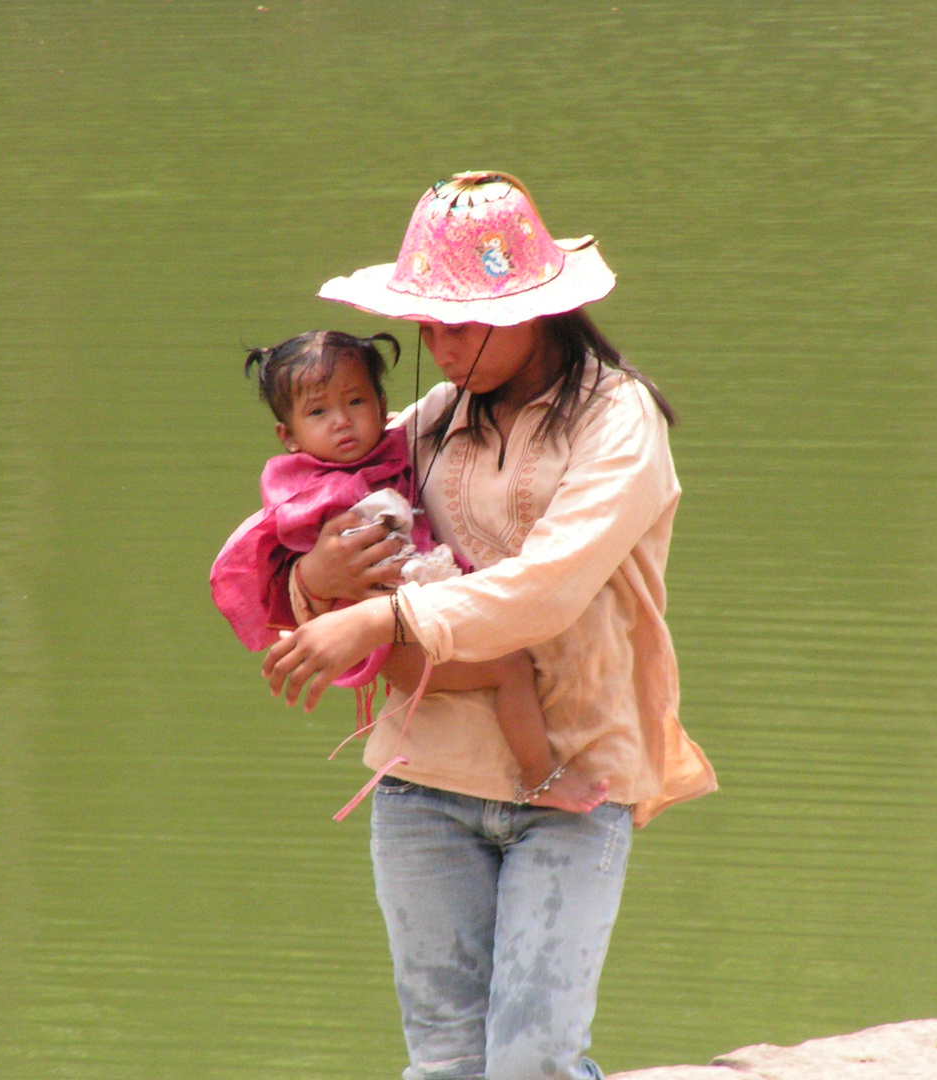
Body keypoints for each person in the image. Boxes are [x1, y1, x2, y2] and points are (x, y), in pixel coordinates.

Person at [261, 172, 717, 1080]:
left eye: (463, 324)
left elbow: (546, 590)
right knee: (443, 1065)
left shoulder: (617, 422)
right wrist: (313, 582)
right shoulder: (429, 422)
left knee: (533, 1063)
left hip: (576, 776)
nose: (442, 345)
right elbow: (322, 514)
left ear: (536, 314)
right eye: (428, 326)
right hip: (423, 777)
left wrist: (381, 618)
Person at [210, 328, 611, 813]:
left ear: (381, 404)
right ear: (288, 436)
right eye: (318, 413)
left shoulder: (405, 437)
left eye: (355, 402)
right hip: (383, 638)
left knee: (507, 661)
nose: (342, 423)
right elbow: (315, 554)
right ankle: (540, 775)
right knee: (510, 668)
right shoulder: (315, 492)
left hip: (399, 620)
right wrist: (317, 575)